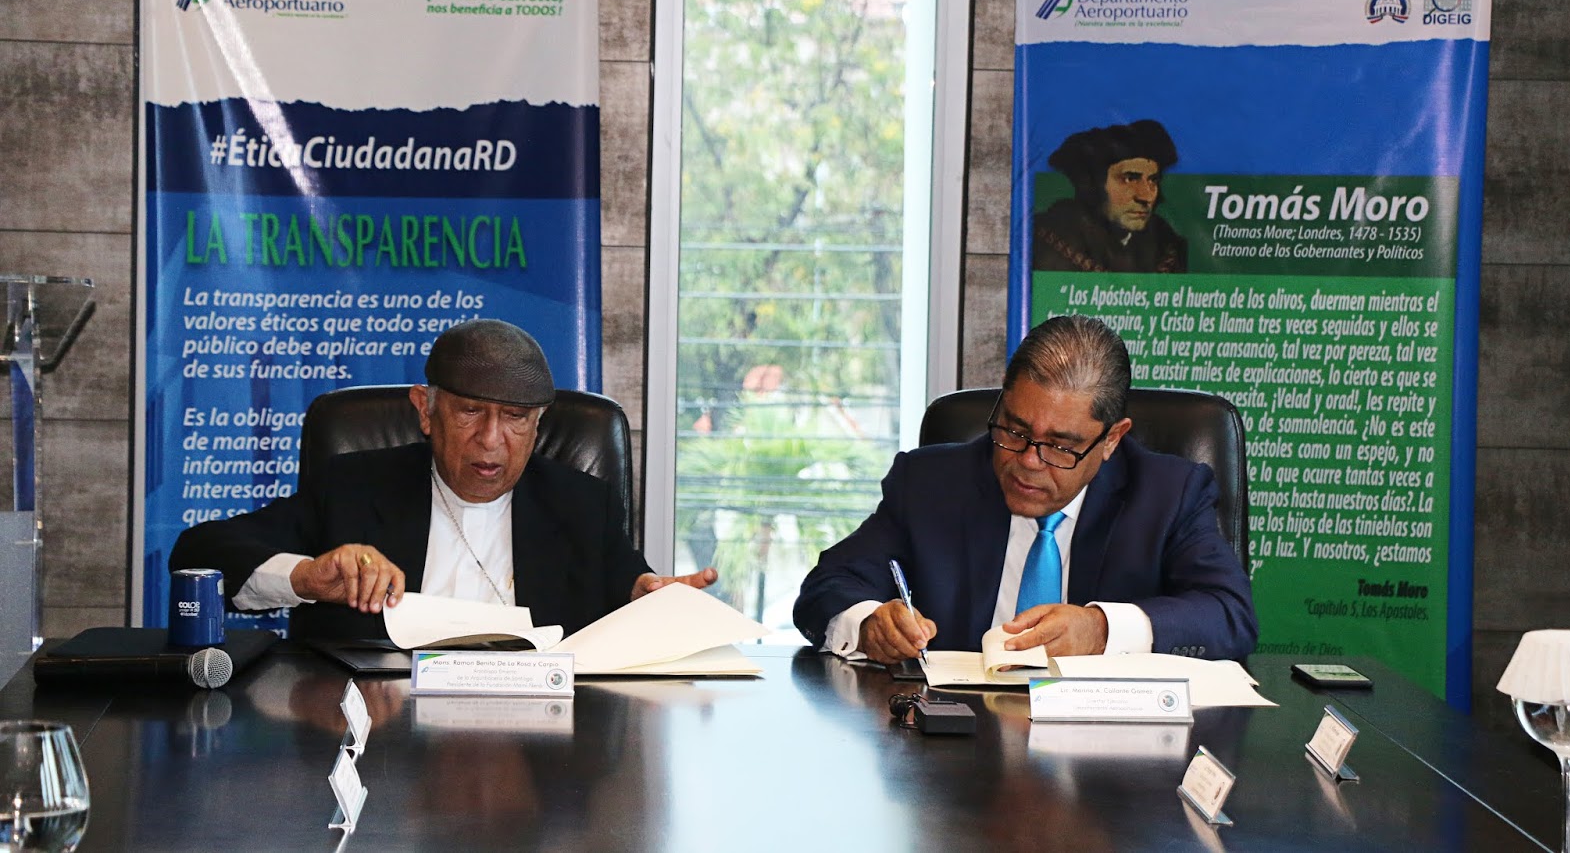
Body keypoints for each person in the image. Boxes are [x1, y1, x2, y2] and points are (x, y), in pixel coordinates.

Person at [170, 318, 715, 641]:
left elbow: (631, 585)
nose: (491, 439)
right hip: (386, 752)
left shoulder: (580, 504)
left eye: (516, 418)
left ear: (538, 425)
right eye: (471, 412)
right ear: (425, 411)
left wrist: (648, 599)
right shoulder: (355, 487)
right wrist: (306, 577)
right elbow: (198, 554)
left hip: (536, 756)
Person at [792, 315, 1256, 664]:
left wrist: (1100, 628)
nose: (1028, 461)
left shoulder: (1168, 494)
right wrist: (868, 623)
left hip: (1107, 749)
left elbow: (1229, 614)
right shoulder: (931, 483)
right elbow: (827, 586)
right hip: (957, 741)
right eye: (1015, 430)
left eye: (1061, 446)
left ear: (1112, 439)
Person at [1032, 119, 1187, 273]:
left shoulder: (1167, 247)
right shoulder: (1048, 240)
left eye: (1153, 180)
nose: (1146, 197)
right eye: (1129, 179)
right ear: (1093, 185)